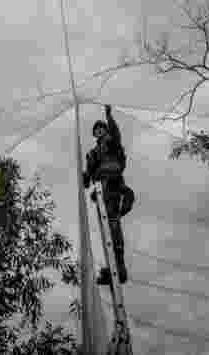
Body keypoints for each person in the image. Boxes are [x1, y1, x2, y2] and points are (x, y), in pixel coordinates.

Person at [83, 104, 133, 285]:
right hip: (101, 189)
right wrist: (86, 177)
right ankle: (112, 267)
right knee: (106, 230)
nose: (99, 131)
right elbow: (89, 172)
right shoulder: (94, 152)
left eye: (101, 128)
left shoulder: (111, 142)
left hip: (112, 185)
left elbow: (115, 133)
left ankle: (119, 268)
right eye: (96, 129)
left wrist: (109, 116)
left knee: (112, 225)